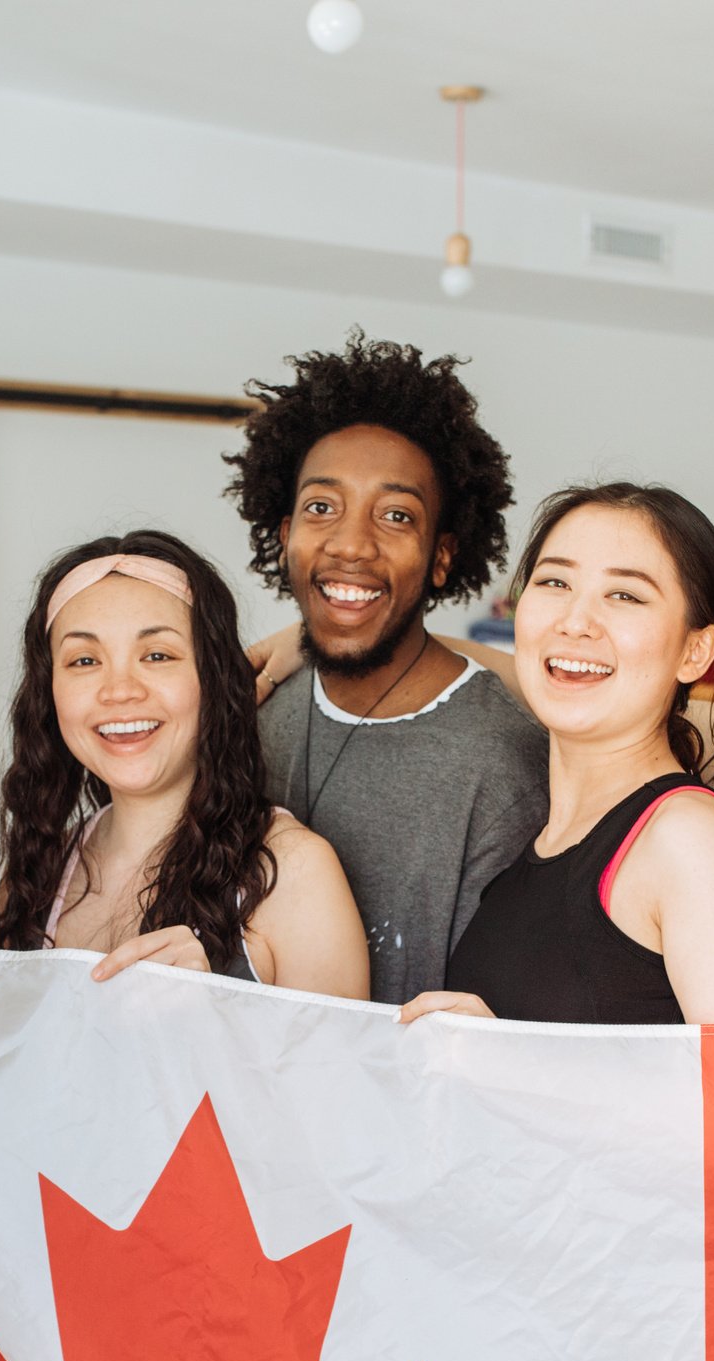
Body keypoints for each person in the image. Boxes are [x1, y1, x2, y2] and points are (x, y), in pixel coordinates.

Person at [224, 332, 547, 1004]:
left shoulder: (500, 763)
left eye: (396, 515)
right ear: (285, 537)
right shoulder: (250, 718)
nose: (350, 543)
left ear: (440, 557)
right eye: (322, 507)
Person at [402, 484, 714, 1027]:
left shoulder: (686, 840)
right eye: (554, 582)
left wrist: (511, 1059)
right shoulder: (539, 843)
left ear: (695, 651)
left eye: (625, 595)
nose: (575, 620)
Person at [0, 531, 367, 998]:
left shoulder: (295, 873)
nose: (119, 690)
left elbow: (339, 1073)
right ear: (49, 695)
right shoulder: (34, 877)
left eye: (157, 655)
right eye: (85, 660)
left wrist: (212, 1013)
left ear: (214, 680)